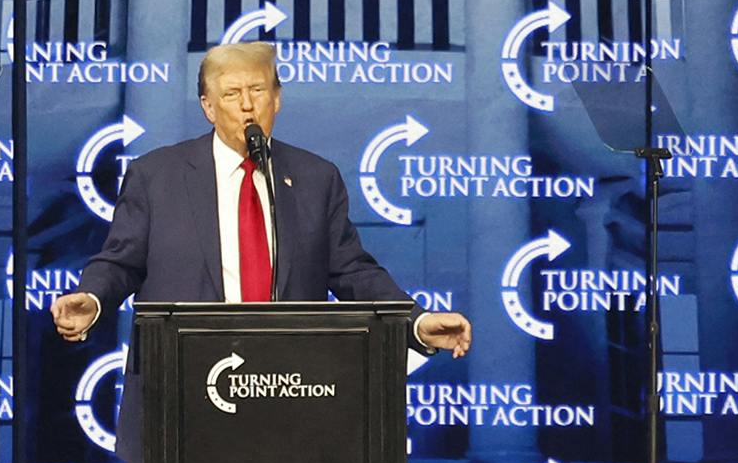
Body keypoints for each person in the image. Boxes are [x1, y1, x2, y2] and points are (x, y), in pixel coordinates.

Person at [52, 40, 472, 378]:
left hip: (289, 389)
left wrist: (416, 323)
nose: (248, 106)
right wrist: (93, 298)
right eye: (232, 94)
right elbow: (121, 261)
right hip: (179, 387)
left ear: (278, 100)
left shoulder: (315, 178)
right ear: (208, 107)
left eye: (258, 91)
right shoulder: (156, 175)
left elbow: (352, 272)